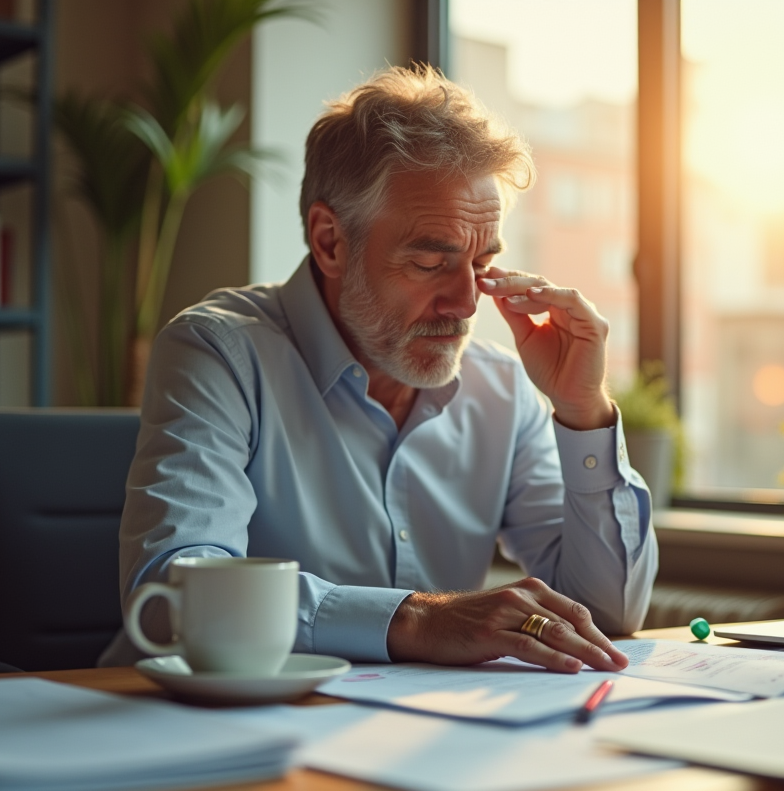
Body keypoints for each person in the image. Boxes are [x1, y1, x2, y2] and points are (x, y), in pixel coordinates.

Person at [99, 65, 657, 673]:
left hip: (403, 737)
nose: (468, 302)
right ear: (331, 241)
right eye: (429, 261)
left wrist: (583, 411)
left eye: (483, 261)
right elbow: (175, 589)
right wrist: (417, 618)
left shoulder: (502, 388)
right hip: (184, 726)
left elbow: (605, 618)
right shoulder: (219, 353)